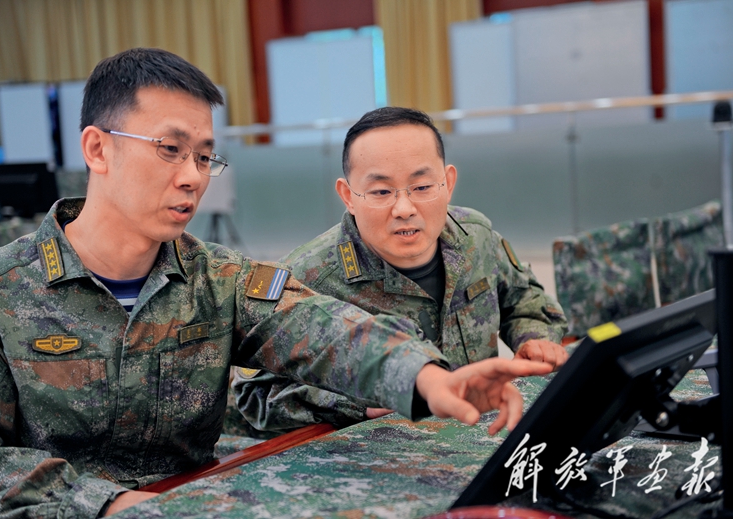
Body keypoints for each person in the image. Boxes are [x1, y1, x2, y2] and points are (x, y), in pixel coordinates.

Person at [0, 50, 553, 518]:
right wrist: (105, 505)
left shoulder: (220, 279)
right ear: (97, 149)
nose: (192, 177)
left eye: (204, 156)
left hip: (195, 503)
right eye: (170, 149)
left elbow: (321, 327)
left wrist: (427, 377)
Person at [233, 107, 569, 433]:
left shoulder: (475, 236)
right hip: (378, 456)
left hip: (481, 433)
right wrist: (359, 402)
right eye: (381, 191)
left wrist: (534, 339)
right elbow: (255, 395)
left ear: (448, 183)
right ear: (348, 196)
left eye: (422, 187)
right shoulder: (305, 277)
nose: (404, 208)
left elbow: (525, 300)